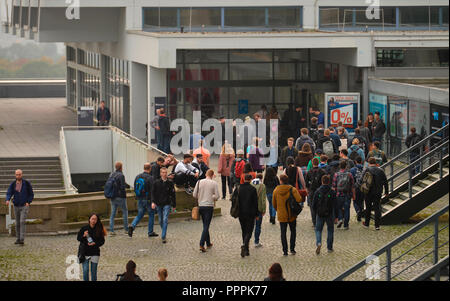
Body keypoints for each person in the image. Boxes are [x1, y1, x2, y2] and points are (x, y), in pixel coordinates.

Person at [272, 174, 303, 256]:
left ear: (280, 181)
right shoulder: (292, 189)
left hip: (282, 215)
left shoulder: (276, 190)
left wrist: (278, 210)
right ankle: (292, 249)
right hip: (291, 214)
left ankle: (285, 251)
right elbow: (299, 199)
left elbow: (274, 203)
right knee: (293, 231)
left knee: (283, 232)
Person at [128, 163, 158, 238]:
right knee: (151, 215)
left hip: (139, 199)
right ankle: (150, 232)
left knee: (140, 214)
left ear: (143, 168)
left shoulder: (137, 176)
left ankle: (132, 225)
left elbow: (135, 187)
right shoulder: (150, 178)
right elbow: (152, 190)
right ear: (150, 169)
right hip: (147, 199)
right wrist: (153, 201)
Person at [193, 170, 219, 252]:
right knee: (206, 225)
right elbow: (217, 196)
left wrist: (201, 196)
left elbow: (194, 195)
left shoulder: (199, 182)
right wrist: (212, 196)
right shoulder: (214, 183)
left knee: (205, 224)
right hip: (209, 206)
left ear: (205, 174)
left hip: (201, 205)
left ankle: (208, 243)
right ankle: (201, 244)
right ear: (212, 175)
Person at [5, 169, 34, 245]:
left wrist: (28, 202)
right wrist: (7, 200)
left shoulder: (26, 183)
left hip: (24, 205)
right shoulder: (13, 184)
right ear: (15, 175)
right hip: (16, 205)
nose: (18, 176)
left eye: (19, 174)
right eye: (17, 174)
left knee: (22, 222)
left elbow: (31, 194)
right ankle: (18, 238)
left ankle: (22, 239)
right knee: (17, 223)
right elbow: (9, 192)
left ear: (22, 174)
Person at [77, 213, 106, 281]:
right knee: (85, 270)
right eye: (92, 219)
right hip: (85, 252)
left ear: (97, 220)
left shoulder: (99, 229)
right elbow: (78, 238)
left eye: (95, 219)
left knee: (94, 272)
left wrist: (95, 243)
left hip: (95, 252)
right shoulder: (84, 228)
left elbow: (102, 241)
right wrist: (84, 235)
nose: (93, 220)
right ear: (89, 219)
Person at [362, 157, 389, 230]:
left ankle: (367, 224)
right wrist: (386, 191)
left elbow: (362, 180)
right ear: (375, 163)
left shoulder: (366, 170)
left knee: (368, 208)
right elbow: (385, 182)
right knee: (377, 208)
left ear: (369, 163)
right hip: (378, 192)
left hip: (368, 192)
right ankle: (377, 225)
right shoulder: (381, 170)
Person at [312, 175, 336, 254]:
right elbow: (335, 204)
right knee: (330, 230)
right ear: (328, 182)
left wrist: (316, 213)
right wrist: (336, 216)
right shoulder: (332, 192)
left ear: (322, 181)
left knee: (318, 230)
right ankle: (329, 247)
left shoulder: (317, 191)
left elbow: (313, 205)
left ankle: (319, 242)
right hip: (329, 213)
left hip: (320, 214)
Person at [237, 174, 260, 257]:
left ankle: (246, 249)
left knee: (244, 231)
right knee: (249, 231)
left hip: (241, 213)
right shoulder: (253, 189)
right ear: (251, 180)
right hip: (250, 213)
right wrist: (257, 214)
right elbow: (255, 203)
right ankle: (245, 245)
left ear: (243, 179)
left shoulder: (239, 188)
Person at [151, 167, 176, 243]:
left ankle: (163, 236)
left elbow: (173, 194)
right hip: (158, 203)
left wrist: (174, 205)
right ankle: (163, 231)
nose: (164, 174)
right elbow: (153, 193)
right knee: (160, 220)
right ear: (160, 173)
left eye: (165, 172)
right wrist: (153, 202)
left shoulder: (170, 183)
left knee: (165, 219)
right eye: (163, 172)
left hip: (167, 203)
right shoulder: (156, 182)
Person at [332, 160, 355, 230]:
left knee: (339, 208)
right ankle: (346, 225)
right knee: (347, 209)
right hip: (347, 194)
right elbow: (352, 185)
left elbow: (334, 186)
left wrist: (334, 194)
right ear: (346, 166)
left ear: (340, 166)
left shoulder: (336, 174)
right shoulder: (349, 174)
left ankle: (340, 219)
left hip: (339, 194)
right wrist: (353, 195)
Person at [108, 162, 128, 235]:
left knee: (112, 214)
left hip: (113, 196)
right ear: (121, 167)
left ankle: (111, 230)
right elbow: (122, 187)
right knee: (125, 212)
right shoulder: (121, 175)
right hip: (121, 197)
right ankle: (126, 229)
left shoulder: (111, 174)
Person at [305, 158, 327, 227]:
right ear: (319, 163)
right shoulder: (322, 171)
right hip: (321, 191)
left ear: (312, 163)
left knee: (312, 207)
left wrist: (308, 190)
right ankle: (321, 220)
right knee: (321, 205)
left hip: (312, 191)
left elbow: (306, 183)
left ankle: (314, 222)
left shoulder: (309, 172)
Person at [251, 174, 266, 248]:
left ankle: (247, 239)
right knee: (258, 226)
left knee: (250, 225)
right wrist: (264, 210)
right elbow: (263, 199)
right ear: (261, 178)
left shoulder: (251, 184)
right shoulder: (262, 186)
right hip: (259, 208)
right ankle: (256, 241)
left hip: (250, 208)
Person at [350, 156, 365, 222]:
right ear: (361, 161)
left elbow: (351, 179)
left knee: (355, 200)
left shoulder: (353, 170)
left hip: (355, 187)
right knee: (361, 201)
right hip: (363, 187)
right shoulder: (365, 169)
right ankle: (361, 212)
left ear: (355, 162)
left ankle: (358, 210)